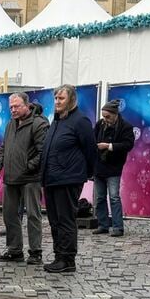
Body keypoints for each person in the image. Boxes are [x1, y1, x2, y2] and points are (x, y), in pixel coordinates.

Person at [41, 84, 95, 274]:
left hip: (68, 178)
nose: (57, 102)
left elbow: (91, 150)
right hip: (52, 179)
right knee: (55, 220)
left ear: (71, 100)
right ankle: (59, 255)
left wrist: (83, 173)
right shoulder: (57, 121)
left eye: (61, 99)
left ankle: (67, 259)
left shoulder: (80, 121)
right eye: (56, 98)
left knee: (65, 220)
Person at [0, 92, 49, 265]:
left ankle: (35, 251)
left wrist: (27, 166)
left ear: (27, 105)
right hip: (11, 177)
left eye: (17, 106)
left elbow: (42, 152)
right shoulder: (11, 124)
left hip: (31, 178)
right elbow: (4, 148)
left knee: (33, 215)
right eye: (11, 107)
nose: (13, 110)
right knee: (9, 214)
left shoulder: (39, 124)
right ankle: (15, 249)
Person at [93, 100, 135, 237]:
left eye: (107, 116)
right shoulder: (100, 124)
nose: (105, 119)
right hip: (99, 166)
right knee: (99, 197)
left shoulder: (126, 127)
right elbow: (93, 139)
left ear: (115, 114)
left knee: (114, 197)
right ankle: (103, 224)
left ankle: (118, 227)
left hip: (114, 167)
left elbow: (128, 145)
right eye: (103, 116)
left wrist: (109, 146)